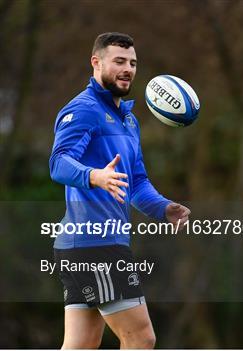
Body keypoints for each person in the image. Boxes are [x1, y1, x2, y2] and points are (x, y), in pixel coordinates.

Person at [49, 32, 190, 349]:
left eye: (133, 63)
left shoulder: (128, 119)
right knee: (140, 337)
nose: (128, 68)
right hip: (94, 243)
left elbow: (136, 182)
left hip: (90, 244)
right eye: (119, 61)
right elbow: (59, 163)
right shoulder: (83, 110)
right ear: (96, 63)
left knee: (82, 343)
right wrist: (94, 176)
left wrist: (162, 208)